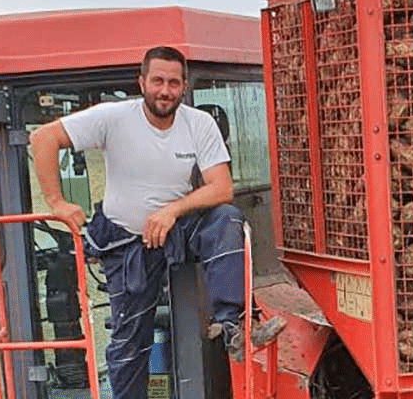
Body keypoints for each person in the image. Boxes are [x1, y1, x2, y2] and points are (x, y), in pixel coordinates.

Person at [29, 46, 284, 399]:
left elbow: (222, 188)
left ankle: (235, 327)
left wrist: (171, 211)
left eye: (174, 83)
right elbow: (43, 138)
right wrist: (56, 202)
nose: (165, 90)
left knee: (226, 220)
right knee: (131, 341)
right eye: (158, 81)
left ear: (183, 86)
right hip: (126, 240)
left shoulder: (199, 124)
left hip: (176, 230)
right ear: (142, 82)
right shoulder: (113, 118)